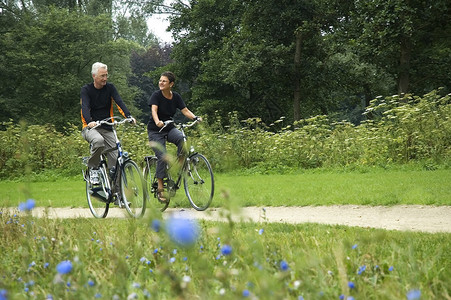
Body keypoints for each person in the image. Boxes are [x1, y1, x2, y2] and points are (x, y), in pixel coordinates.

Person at [147, 71, 201, 202]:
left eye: (164, 81)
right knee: (163, 156)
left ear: (171, 84)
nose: (161, 82)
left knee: (183, 140)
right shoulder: (156, 95)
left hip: (169, 127)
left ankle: (178, 168)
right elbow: (154, 110)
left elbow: (185, 110)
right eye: (160, 80)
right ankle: (160, 188)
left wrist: (195, 117)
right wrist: (157, 121)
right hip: (156, 130)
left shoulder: (176, 97)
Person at [80, 62, 135, 185]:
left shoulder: (110, 88)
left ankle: (117, 195)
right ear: (94, 76)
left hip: (107, 127)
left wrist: (129, 116)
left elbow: (119, 102)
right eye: (102, 76)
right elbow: (84, 107)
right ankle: (93, 168)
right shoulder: (86, 90)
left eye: (106, 75)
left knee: (116, 159)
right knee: (98, 142)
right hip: (91, 128)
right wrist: (89, 122)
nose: (105, 78)